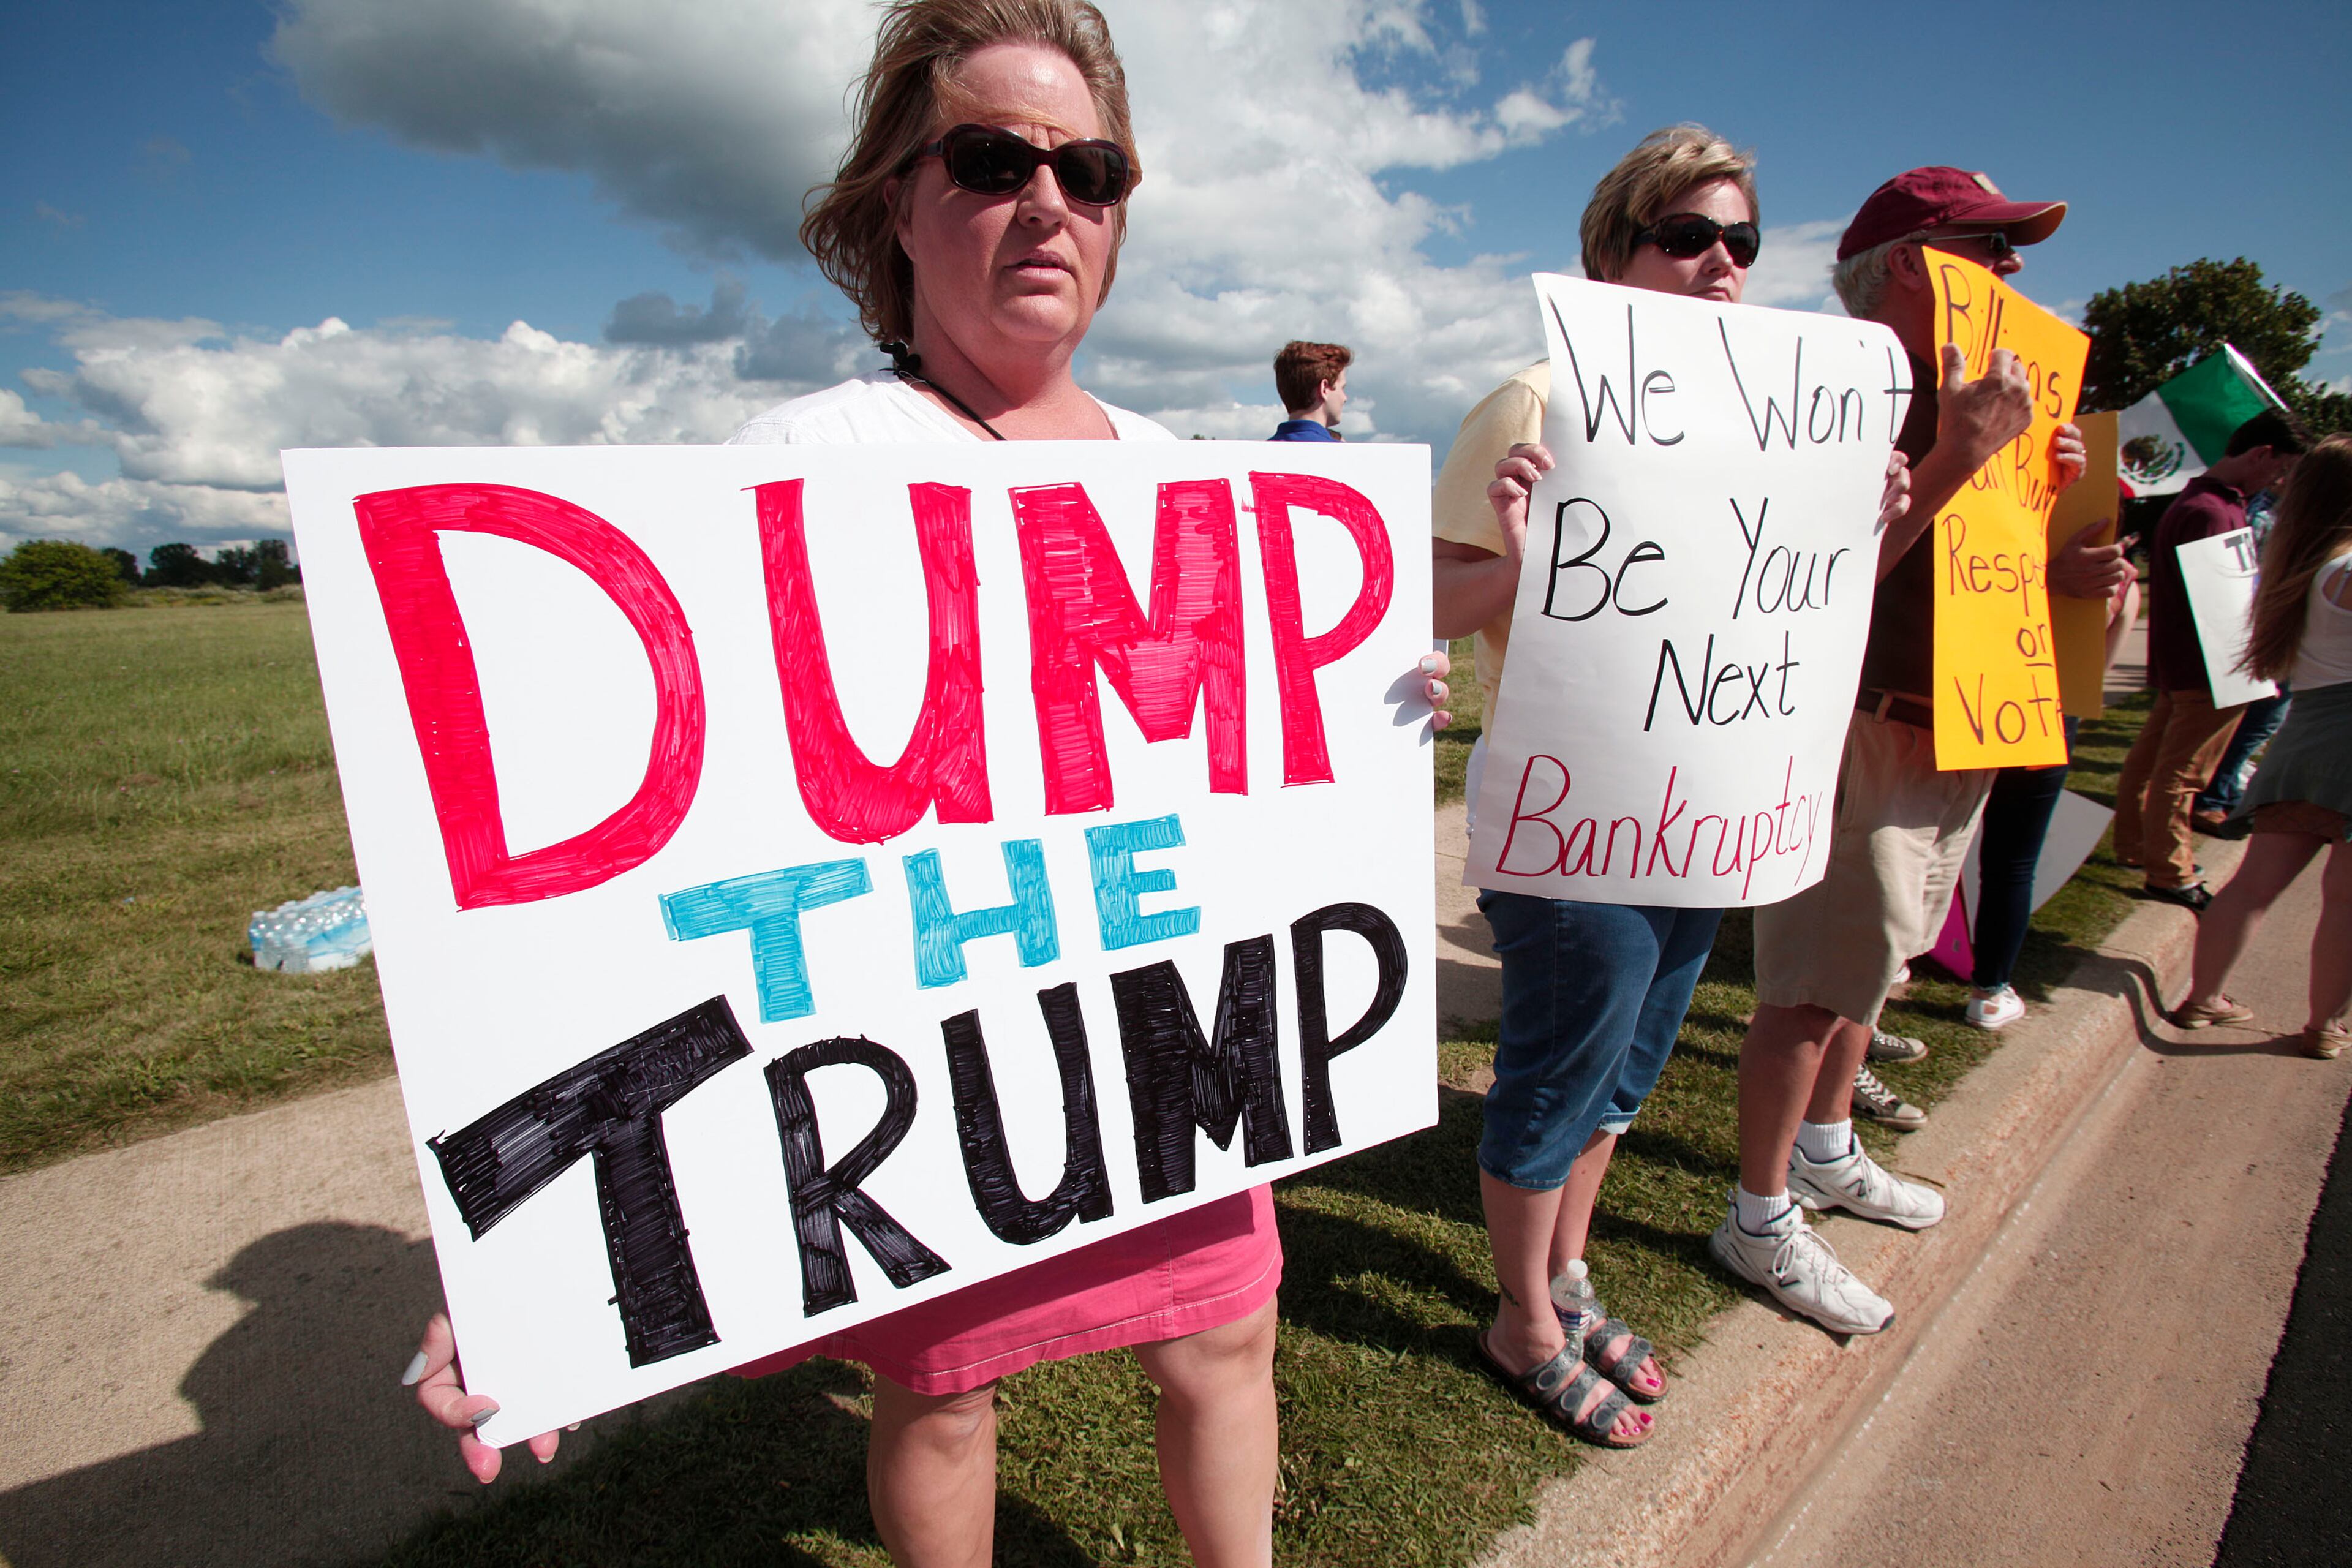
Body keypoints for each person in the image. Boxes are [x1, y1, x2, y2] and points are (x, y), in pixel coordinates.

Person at [404, 7, 1449, 1564]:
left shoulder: (1192, 480)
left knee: (1225, 1339)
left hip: (1167, 1040)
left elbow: (1246, 797)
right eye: (990, 158)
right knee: (945, 1393)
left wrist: (1363, 716)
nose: (1049, 201)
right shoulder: (800, 459)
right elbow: (660, 872)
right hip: (949, 1063)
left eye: (1089, 169)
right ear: (897, 202)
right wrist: (530, 1257)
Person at [1433, 125, 1905, 1443]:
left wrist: (1865, 519)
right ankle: (1520, 1317)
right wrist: (1523, 558)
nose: (1719, 265)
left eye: (1741, 241)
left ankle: (1566, 1275)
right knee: (1555, 1073)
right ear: (1610, 251)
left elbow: (1794, 614)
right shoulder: (1536, 399)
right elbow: (1419, 587)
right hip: (1582, 815)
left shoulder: (1780, 429)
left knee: (1626, 1076)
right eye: (1686, 236)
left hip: (1709, 811)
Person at [1711, 167, 2086, 1336]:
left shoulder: (1984, 400)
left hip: (1959, 721)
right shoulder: (1837, 398)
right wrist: (1960, 460)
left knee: (1879, 971)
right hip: (1865, 722)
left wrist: (2053, 527)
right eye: (1988, 247)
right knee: (1814, 987)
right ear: (1915, 270)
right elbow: (1805, 591)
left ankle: (1826, 1148)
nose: (2014, 272)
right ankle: (1759, 1215)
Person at [2173, 436, 2352, 1058]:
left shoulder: (2299, 563)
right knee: (2345, 901)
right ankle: (2325, 1025)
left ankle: (2203, 997)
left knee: (2253, 885)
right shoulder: (2346, 568)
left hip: (2304, 739)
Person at [2113, 409, 2309, 911]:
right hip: (2213, 671)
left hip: (2189, 665)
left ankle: (2138, 847)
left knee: (2154, 763)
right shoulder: (2217, 512)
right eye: (2281, 469)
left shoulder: (2198, 502)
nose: (2280, 481)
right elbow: (2226, 611)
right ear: (2262, 454)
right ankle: (2170, 871)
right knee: (2182, 775)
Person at [1963, 521, 2139, 1030]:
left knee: (1932, 842)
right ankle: (1989, 989)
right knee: (2012, 860)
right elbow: (2095, 670)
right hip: (2047, 713)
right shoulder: (2120, 582)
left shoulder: (1995, 551)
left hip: (1973, 700)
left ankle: (1900, 964)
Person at [1268, 339, 1349, 441]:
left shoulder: (1255, 453)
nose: (1345, 398)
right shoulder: (1345, 455)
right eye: (1342, 388)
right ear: (1324, 389)